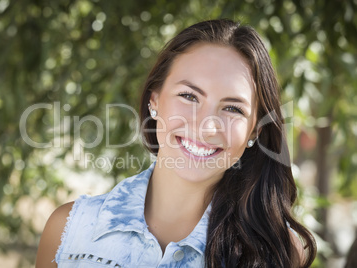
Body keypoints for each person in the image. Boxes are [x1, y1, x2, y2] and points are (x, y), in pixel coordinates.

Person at [36, 19, 316, 267]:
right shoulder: (69, 230)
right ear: (154, 99)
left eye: (232, 109)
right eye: (189, 96)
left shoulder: (277, 253)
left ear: (255, 130)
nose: (206, 126)